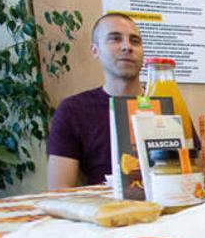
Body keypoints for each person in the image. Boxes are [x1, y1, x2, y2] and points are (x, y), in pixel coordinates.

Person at [47, 13, 144, 189]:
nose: (127, 47)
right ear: (95, 50)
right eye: (115, 39)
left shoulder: (166, 104)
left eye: (135, 41)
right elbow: (59, 191)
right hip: (104, 211)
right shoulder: (73, 110)